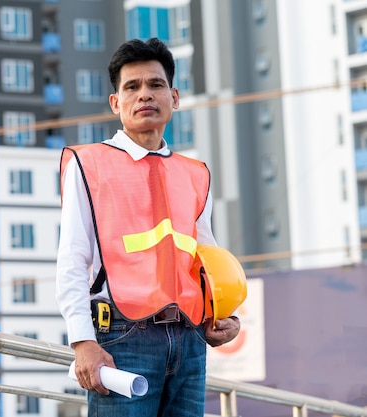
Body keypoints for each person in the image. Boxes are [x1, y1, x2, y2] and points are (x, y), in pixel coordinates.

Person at [55, 38, 241, 417]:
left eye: (155, 85)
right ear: (115, 103)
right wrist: (82, 342)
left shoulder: (195, 174)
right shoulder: (88, 164)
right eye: (132, 87)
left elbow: (205, 256)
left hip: (189, 338)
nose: (145, 95)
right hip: (121, 337)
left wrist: (224, 314)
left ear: (174, 97)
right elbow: (73, 258)